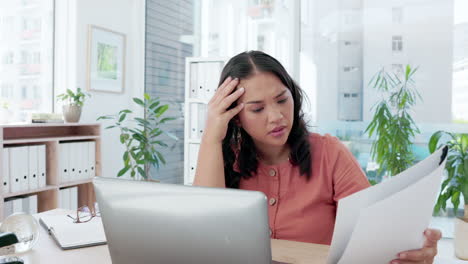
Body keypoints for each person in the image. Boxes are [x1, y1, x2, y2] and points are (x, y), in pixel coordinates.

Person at [193, 50, 441, 264]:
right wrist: (211, 137)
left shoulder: (330, 154)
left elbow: (373, 238)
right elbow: (204, 239)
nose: (277, 116)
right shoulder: (223, 159)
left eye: (282, 100)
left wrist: (412, 253)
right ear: (235, 116)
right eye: (257, 109)